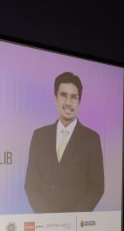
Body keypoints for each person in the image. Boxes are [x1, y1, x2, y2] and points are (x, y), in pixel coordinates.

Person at [23, 71, 105, 213]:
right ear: (55, 98)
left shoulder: (91, 139)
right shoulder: (39, 136)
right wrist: (47, 218)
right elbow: (31, 185)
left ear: (79, 101)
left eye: (73, 97)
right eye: (63, 95)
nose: (68, 102)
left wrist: (72, 219)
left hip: (75, 222)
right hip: (45, 222)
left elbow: (97, 187)